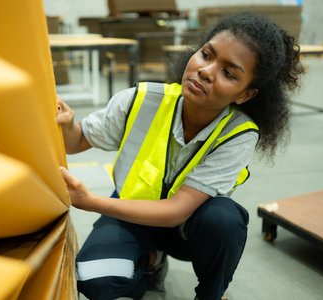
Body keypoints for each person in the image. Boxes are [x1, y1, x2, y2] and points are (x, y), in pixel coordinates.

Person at [57, 12, 304, 300]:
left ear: (245, 95)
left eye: (229, 73)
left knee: (224, 220)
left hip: (185, 229)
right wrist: (67, 125)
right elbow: (78, 142)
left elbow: (177, 209)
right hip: (129, 213)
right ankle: (150, 262)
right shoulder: (141, 100)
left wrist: (89, 202)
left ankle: (210, 295)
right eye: (206, 55)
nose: (206, 71)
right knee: (93, 279)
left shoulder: (238, 134)